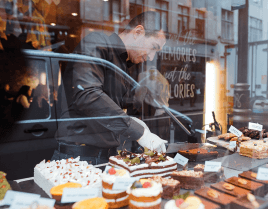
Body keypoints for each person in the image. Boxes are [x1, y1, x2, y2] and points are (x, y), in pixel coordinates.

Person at [53, 11, 168, 164]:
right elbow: (88, 95)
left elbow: (109, 108)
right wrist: (140, 133)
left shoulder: (126, 65)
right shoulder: (97, 43)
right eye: (153, 47)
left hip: (104, 157)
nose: (152, 57)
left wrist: (136, 114)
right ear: (138, 32)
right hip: (78, 157)